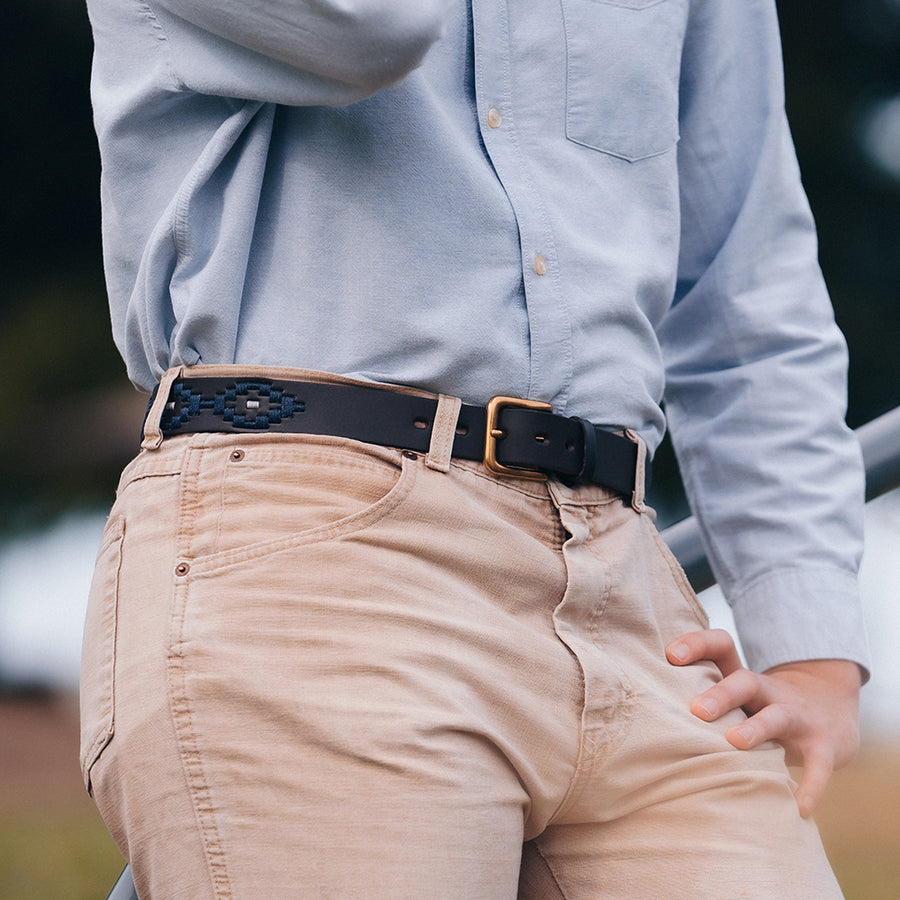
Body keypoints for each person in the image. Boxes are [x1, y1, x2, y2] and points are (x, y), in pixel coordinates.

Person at [79, 0, 869, 897]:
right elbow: (365, 27)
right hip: (314, 550)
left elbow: (746, 280)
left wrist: (812, 648)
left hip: (628, 585)